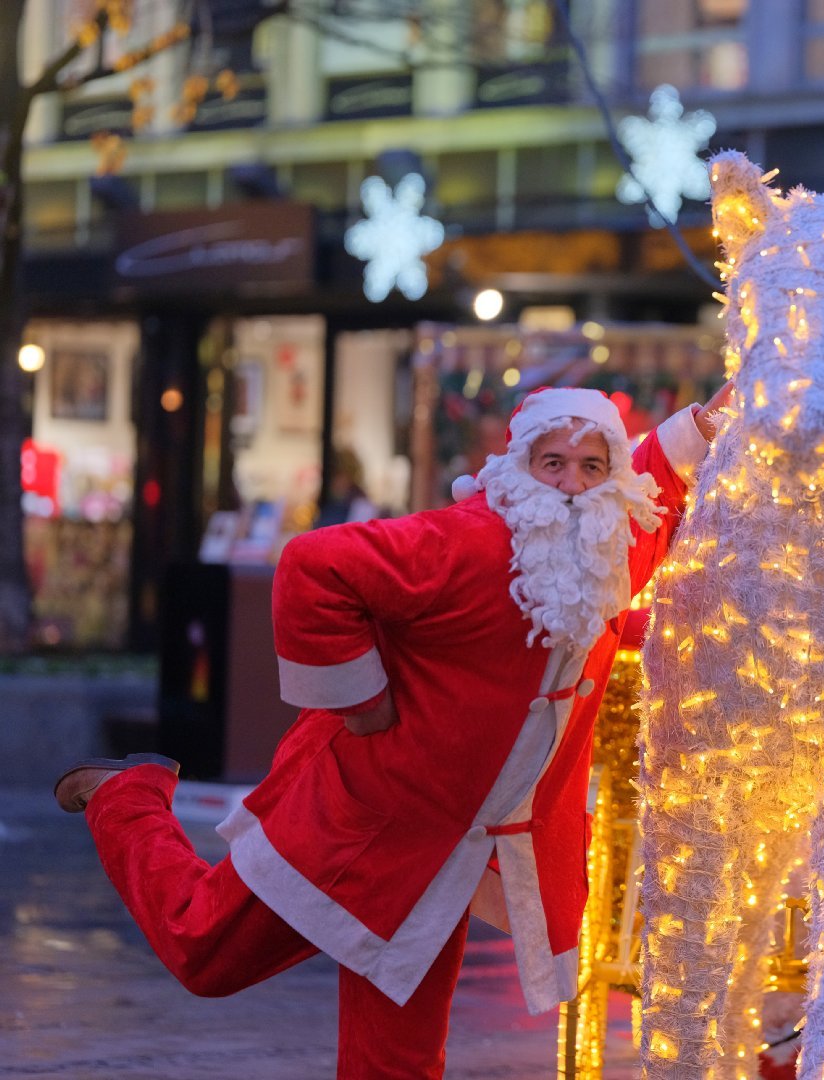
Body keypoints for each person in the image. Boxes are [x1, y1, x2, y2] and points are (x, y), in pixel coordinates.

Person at [53, 385, 730, 1079]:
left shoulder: (612, 542)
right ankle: (127, 796)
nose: (571, 485)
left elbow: (654, 477)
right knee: (202, 949)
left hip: (444, 855)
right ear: (518, 463)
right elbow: (315, 567)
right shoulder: (462, 541)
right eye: (552, 463)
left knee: (397, 1061)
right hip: (357, 822)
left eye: (592, 467)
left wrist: (704, 426)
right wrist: (360, 697)